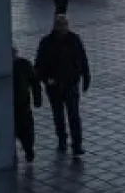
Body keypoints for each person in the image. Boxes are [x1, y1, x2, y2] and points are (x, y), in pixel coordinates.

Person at [35, 14, 89, 156]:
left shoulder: (74, 40)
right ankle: (62, 139)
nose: (63, 27)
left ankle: (77, 144)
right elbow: (39, 65)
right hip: (54, 86)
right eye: (60, 24)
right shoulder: (46, 43)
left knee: (74, 115)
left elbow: (83, 58)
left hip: (71, 84)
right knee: (58, 114)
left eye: (64, 24)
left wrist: (86, 77)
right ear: (55, 25)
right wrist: (46, 80)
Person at [13, 47, 42, 162]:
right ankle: (25, 151)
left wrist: (37, 99)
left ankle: (29, 150)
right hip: (15, 105)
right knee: (22, 129)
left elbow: (34, 82)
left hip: (22, 104)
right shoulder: (22, 64)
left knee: (26, 130)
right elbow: (35, 82)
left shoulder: (23, 65)